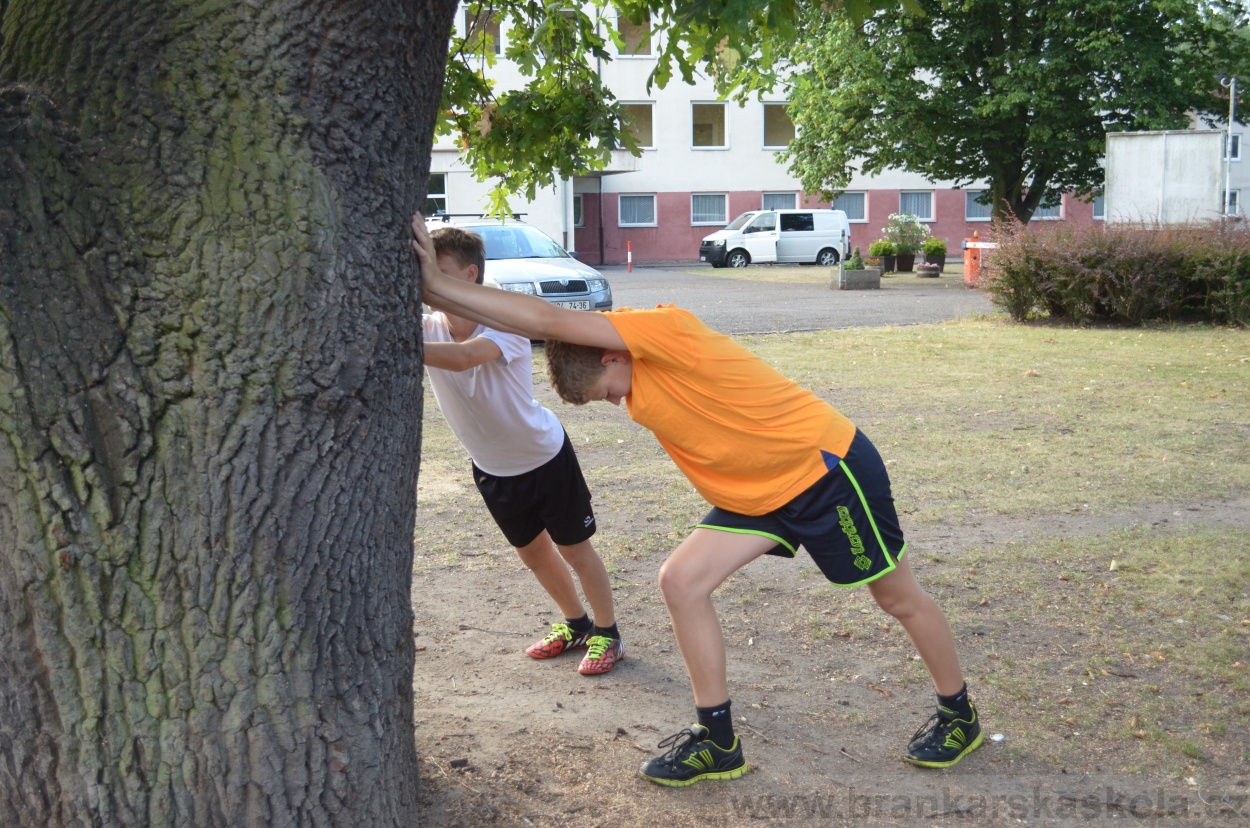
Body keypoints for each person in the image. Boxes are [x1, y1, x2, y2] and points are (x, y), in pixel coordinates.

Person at [412, 212, 981, 785]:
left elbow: (545, 317)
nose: (616, 405)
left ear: (613, 354)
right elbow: (540, 331)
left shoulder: (665, 332)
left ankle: (959, 714)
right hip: (759, 494)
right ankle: (718, 740)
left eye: (607, 393)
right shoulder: (634, 383)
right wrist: (437, 299)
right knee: (679, 581)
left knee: (896, 597)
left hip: (825, 470)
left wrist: (437, 284)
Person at [421, 224, 624, 675]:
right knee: (532, 554)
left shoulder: (503, 321)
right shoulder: (429, 327)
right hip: (492, 469)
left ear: (469, 274)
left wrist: (399, 345)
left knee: (575, 548)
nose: (424, 277)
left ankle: (608, 633)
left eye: (437, 269)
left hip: (544, 458)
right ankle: (575, 623)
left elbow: (461, 358)